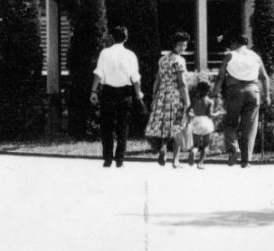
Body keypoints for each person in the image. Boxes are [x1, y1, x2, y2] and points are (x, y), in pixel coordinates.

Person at [90, 24, 144, 168]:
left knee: (106, 126)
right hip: (125, 93)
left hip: (108, 92)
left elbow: (98, 73)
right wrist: (138, 92)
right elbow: (135, 77)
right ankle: (120, 159)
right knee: (123, 126)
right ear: (126, 38)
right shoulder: (130, 55)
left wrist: (93, 91)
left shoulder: (105, 53)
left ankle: (107, 158)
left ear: (112, 37)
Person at [216, 33, 270, 168]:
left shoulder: (230, 55)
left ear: (234, 43)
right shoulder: (255, 56)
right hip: (254, 91)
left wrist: (214, 92)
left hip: (235, 91)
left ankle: (234, 149)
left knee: (230, 123)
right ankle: (246, 161)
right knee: (250, 128)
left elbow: (221, 76)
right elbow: (264, 77)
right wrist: (267, 96)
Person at [144, 31, 192, 167]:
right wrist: (187, 102)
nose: (183, 48)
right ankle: (175, 160)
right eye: (181, 45)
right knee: (177, 125)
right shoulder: (179, 60)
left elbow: (157, 80)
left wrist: (154, 97)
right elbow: (182, 83)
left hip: (162, 94)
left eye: (185, 45)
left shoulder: (163, 59)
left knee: (166, 124)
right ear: (174, 45)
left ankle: (163, 147)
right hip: (175, 95)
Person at [186, 81, 217, 169]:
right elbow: (210, 114)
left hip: (197, 121)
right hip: (206, 122)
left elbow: (188, 111)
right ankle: (200, 163)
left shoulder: (194, 100)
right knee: (206, 145)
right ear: (208, 91)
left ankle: (193, 152)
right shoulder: (210, 101)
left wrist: (191, 116)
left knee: (196, 144)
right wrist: (218, 113)